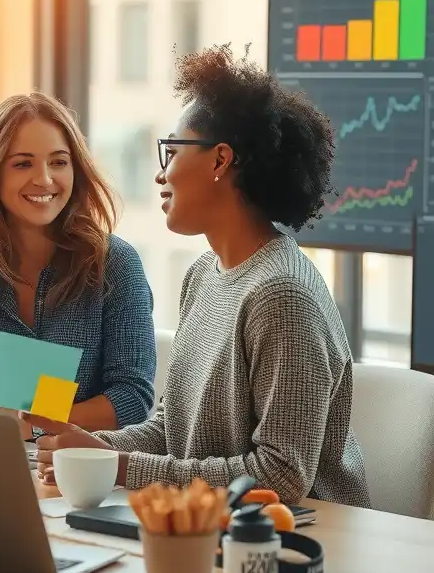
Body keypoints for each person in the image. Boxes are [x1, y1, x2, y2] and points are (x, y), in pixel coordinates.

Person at [30, 45, 370, 507]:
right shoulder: (203, 275)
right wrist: (97, 451)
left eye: (171, 150)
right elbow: (172, 428)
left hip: (301, 539)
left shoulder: (283, 296)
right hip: (211, 524)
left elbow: (280, 477)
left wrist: (119, 467)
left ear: (219, 160)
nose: (160, 174)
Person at [0, 91, 156, 434]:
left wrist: (30, 424)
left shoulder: (116, 265)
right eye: (23, 163)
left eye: (59, 162)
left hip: (81, 471)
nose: (45, 179)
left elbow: (132, 399)